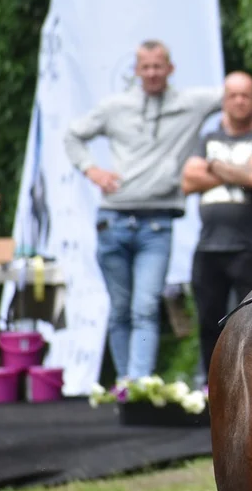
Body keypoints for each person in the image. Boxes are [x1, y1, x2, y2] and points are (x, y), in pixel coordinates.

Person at [63, 40, 221, 381]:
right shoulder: (115, 107)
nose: (151, 73)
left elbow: (236, 95)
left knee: (146, 308)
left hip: (157, 224)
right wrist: (92, 170)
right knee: (120, 309)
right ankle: (125, 385)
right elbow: (73, 136)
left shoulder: (190, 104)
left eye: (157, 66)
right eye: (145, 67)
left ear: (170, 69)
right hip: (113, 218)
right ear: (135, 71)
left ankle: (139, 383)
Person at [180, 72, 252, 378]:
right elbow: (187, 180)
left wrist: (211, 165)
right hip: (209, 245)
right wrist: (235, 170)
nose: (239, 101)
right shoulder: (207, 138)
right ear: (224, 101)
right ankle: (212, 387)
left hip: (251, 246)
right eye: (233, 95)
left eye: (245, 95)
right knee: (209, 320)